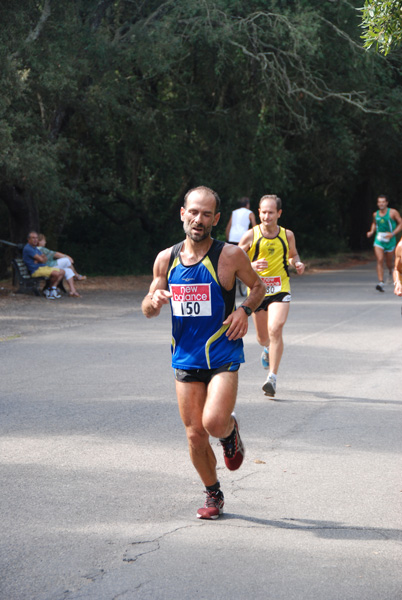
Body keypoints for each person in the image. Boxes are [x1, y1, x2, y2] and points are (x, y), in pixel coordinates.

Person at [141, 186, 265, 520]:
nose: (199, 219)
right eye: (193, 212)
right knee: (195, 435)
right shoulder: (165, 259)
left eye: (206, 214)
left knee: (212, 422)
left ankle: (228, 432)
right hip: (185, 357)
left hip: (223, 353)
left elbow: (258, 287)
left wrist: (244, 311)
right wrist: (152, 303)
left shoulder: (229, 256)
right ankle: (213, 494)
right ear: (183, 213)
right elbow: (148, 306)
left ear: (216, 219)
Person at [239, 194, 305, 398]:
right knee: (262, 338)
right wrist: (250, 265)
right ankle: (267, 348)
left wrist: (297, 263)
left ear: (279, 213)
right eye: (263, 212)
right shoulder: (251, 235)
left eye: (270, 212)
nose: (266, 216)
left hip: (280, 288)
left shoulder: (287, 235)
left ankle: (272, 378)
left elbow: (293, 255)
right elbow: (234, 261)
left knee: (276, 328)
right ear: (258, 212)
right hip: (257, 290)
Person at [366, 195, 402, 292]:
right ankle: (381, 282)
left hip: (390, 240)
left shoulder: (393, 212)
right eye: (379, 202)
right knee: (380, 259)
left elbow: (401, 223)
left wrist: (393, 233)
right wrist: (371, 231)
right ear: (377, 204)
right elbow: (374, 223)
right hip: (379, 239)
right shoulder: (375, 214)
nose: (381, 204)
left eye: (383, 202)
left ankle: (391, 271)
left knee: (389, 262)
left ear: (386, 203)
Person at [22, 231, 65, 299]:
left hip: (42, 267)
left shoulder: (35, 248)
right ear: (28, 239)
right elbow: (42, 260)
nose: (35, 239)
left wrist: (39, 259)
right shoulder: (28, 248)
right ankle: (49, 290)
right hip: (35, 270)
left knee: (62, 271)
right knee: (56, 274)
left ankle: (51, 289)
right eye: (33, 238)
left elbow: (45, 259)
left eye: (36, 238)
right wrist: (40, 259)